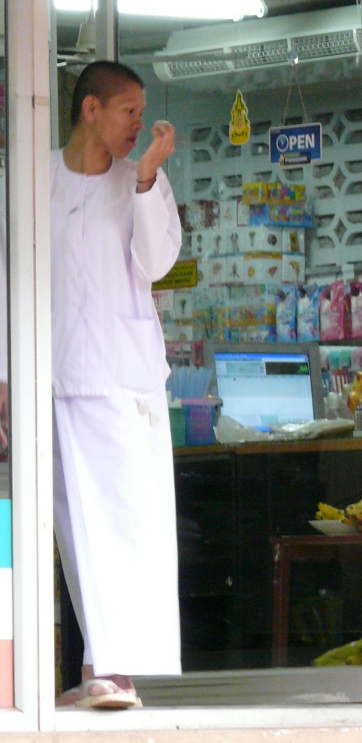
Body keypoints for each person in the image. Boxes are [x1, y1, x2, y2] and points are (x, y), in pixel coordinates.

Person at [50, 61, 182, 709]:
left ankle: (115, 669)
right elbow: (6, 278)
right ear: (90, 110)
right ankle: (99, 666)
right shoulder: (32, 182)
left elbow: (158, 262)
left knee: (129, 519)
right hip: (53, 374)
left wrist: (149, 178)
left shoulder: (141, 182)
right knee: (74, 527)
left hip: (125, 377)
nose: (139, 123)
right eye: (128, 110)